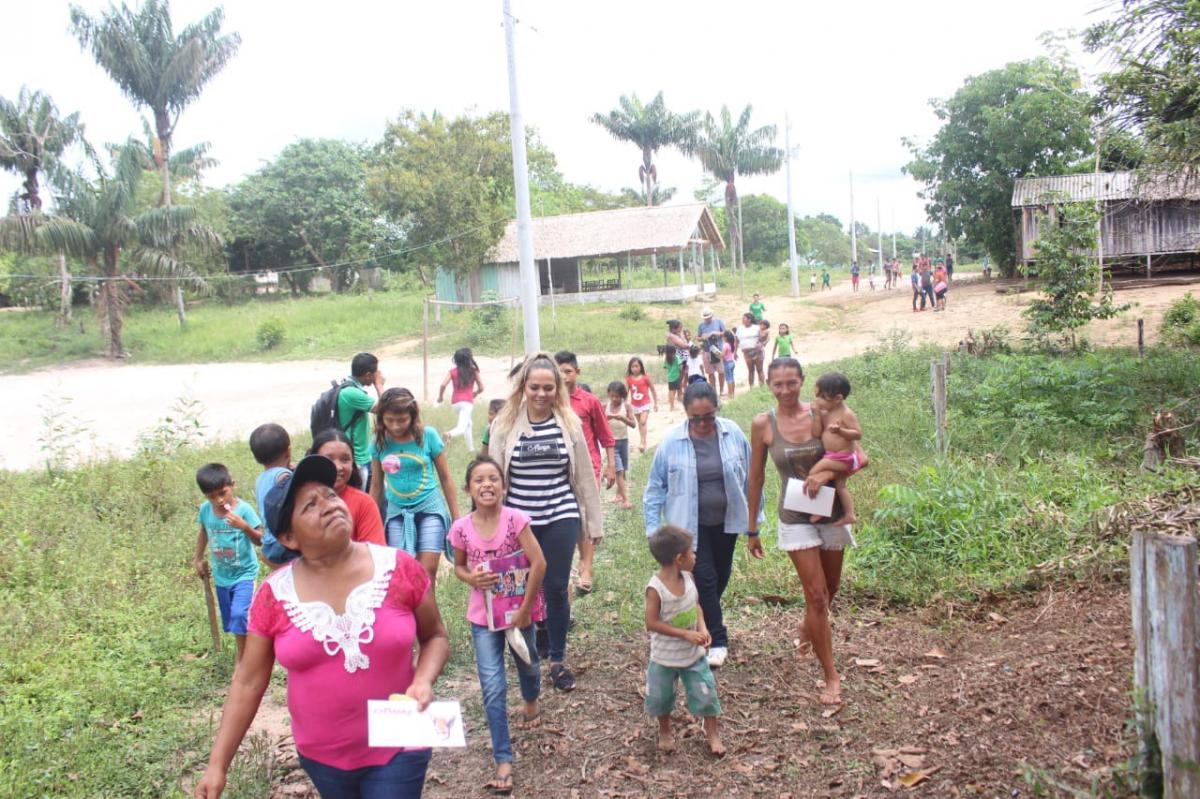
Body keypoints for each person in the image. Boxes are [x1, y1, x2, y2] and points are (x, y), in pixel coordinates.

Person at [193, 455, 449, 799]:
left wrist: (422, 679)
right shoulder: (274, 596)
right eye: (310, 505)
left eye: (330, 495)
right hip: (322, 755)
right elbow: (249, 680)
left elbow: (434, 636)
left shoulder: (398, 568)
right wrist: (217, 765)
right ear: (288, 537)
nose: (329, 505)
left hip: (400, 740)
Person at [487, 355, 603, 692]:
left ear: (559, 388)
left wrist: (593, 525)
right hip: (519, 520)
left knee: (554, 586)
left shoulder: (568, 423)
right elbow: (492, 476)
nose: (541, 394)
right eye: (534, 387)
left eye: (548, 387)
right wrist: (489, 521)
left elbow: (583, 476)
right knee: (522, 586)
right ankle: (528, 649)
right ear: (523, 387)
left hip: (560, 514)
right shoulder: (505, 425)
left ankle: (557, 660)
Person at [745, 357, 852, 707]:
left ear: (803, 381)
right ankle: (831, 676)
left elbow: (856, 456)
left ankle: (807, 631)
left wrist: (823, 475)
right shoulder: (763, 424)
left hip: (831, 511)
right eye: (778, 384)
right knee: (817, 595)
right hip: (794, 517)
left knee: (831, 589)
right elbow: (756, 477)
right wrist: (752, 528)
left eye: (792, 382)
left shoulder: (822, 415)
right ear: (769, 385)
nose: (786, 390)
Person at [642, 381, 759, 669]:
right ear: (686, 414)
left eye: (709, 416)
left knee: (720, 576)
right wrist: (652, 528)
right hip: (688, 527)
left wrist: (754, 522)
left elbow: (751, 479)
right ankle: (717, 639)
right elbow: (655, 487)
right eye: (696, 418)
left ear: (717, 410)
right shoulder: (671, 442)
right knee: (704, 578)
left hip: (727, 520)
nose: (704, 423)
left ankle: (697, 618)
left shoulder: (733, 434)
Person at [449, 456, 546, 795]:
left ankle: (532, 697)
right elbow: (459, 567)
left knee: (529, 663)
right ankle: (503, 757)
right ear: (468, 489)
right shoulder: (461, 528)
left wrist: (525, 609)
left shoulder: (516, 520)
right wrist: (472, 577)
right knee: (492, 686)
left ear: (504, 486)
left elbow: (539, 563)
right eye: (479, 480)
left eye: (494, 478)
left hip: (520, 614)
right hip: (483, 618)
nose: (487, 484)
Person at [644, 524, 724, 756]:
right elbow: (652, 623)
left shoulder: (689, 578)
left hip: (693, 656)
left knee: (706, 693)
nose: (695, 556)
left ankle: (713, 734)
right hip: (664, 658)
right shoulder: (655, 589)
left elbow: (696, 605)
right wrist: (685, 634)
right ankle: (665, 731)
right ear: (679, 558)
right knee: (661, 698)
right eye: (691, 552)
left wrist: (703, 627)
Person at [368, 388, 461, 586]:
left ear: (412, 416)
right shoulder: (379, 442)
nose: (395, 425)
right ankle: (409, 617)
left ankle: (429, 617)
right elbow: (376, 486)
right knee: (401, 572)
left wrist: (457, 519)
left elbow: (446, 478)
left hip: (430, 509)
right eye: (389, 420)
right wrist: (370, 523)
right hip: (397, 513)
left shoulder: (428, 436)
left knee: (427, 573)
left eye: (401, 420)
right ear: (381, 418)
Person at [554, 351, 615, 594]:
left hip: (588, 467)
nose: (563, 376)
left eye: (567, 371)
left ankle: (586, 566)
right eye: (559, 371)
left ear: (577, 372)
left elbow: (606, 436)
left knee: (586, 515)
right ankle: (572, 563)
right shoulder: (551, 401)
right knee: (570, 517)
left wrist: (611, 466)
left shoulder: (589, 401)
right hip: (560, 468)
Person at [193, 463, 264, 664]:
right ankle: (253, 651)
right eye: (211, 496)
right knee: (234, 621)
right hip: (222, 576)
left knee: (240, 614)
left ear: (232, 485)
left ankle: (242, 661)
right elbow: (204, 532)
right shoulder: (206, 510)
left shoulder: (244, 510)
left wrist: (244, 526)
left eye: (223, 493)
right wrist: (197, 558)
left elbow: (260, 540)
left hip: (245, 574)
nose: (219, 500)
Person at [805, 372, 864, 527]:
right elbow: (816, 434)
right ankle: (850, 514)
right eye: (817, 396)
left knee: (813, 473)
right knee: (840, 486)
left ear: (838, 398)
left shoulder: (846, 414)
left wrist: (841, 431)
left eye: (823, 397)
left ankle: (819, 508)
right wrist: (817, 415)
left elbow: (858, 434)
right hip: (833, 455)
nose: (818, 401)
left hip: (843, 457)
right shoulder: (826, 412)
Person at [309, 427, 386, 545]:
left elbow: (375, 555)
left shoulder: (364, 503)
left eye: (345, 460)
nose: (338, 467)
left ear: (353, 463)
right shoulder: (301, 502)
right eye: (329, 459)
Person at [249, 423, 295, 566]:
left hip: (269, 542)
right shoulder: (283, 476)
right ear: (288, 451)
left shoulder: (260, 479)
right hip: (284, 543)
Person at [339, 352, 385, 491]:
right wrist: (379, 385)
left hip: (365, 456)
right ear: (368, 375)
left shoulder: (351, 387)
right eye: (375, 373)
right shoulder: (351, 393)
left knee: (380, 498)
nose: (378, 374)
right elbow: (388, 408)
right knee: (362, 500)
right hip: (358, 460)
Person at [438, 347, 484, 452]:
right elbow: (481, 388)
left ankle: (471, 449)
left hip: (455, 403)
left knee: (468, 424)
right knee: (462, 427)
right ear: (469, 358)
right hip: (467, 402)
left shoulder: (452, 372)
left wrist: (440, 397)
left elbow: (442, 385)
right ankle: (449, 434)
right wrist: (475, 394)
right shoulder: (473, 371)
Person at [605, 381, 636, 509]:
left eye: (617, 396)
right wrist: (607, 418)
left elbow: (633, 424)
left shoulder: (627, 407)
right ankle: (626, 500)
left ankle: (618, 494)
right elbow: (599, 423)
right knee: (619, 470)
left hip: (624, 441)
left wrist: (622, 418)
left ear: (622, 396)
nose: (614, 399)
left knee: (623, 471)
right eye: (612, 396)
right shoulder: (605, 407)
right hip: (611, 444)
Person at [625, 357, 658, 454]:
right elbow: (626, 393)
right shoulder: (629, 379)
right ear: (630, 368)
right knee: (640, 423)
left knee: (643, 422)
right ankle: (643, 439)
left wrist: (655, 403)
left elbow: (652, 389)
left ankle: (642, 442)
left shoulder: (645, 377)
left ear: (641, 367)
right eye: (632, 367)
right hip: (635, 405)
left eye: (636, 366)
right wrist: (625, 404)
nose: (634, 368)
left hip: (645, 404)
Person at [697, 307, 727, 394]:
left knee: (721, 371)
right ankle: (713, 390)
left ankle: (721, 389)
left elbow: (725, 333)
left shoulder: (719, 322)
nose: (707, 319)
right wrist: (702, 337)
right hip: (707, 350)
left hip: (718, 349)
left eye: (708, 317)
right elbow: (698, 337)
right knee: (710, 372)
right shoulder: (701, 325)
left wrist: (715, 333)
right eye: (705, 318)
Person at [736, 313, 765, 387]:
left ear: (749, 320)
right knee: (750, 370)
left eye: (744, 318)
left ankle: (762, 387)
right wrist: (735, 352)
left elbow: (763, 337)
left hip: (757, 352)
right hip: (746, 353)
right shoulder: (740, 328)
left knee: (759, 369)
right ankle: (751, 388)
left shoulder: (757, 327)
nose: (742, 320)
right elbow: (736, 341)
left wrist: (762, 343)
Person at [665, 320, 690, 386]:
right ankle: (679, 393)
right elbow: (684, 346)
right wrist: (682, 336)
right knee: (679, 376)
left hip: (682, 358)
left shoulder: (674, 334)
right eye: (679, 328)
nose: (681, 329)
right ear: (673, 329)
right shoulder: (672, 336)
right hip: (678, 359)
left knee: (683, 375)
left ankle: (681, 390)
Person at [721, 330, 738, 399]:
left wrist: (717, 353)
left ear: (726, 337)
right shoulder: (732, 344)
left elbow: (722, 355)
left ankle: (730, 394)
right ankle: (732, 393)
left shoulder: (725, 345)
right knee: (732, 378)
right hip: (732, 362)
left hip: (727, 363)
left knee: (728, 379)